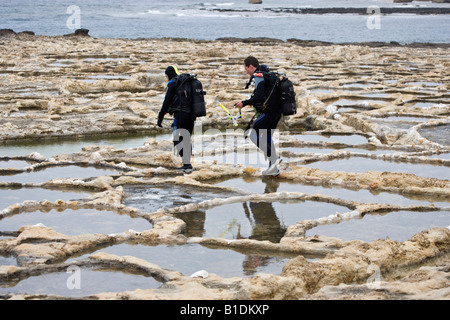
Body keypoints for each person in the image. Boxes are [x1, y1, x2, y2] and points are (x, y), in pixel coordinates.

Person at [235, 56, 282, 176]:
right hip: (277, 112)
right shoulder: (268, 74)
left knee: (253, 136)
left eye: (246, 68)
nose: (246, 71)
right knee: (267, 138)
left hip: (269, 113)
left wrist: (244, 103)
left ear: (251, 66)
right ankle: (274, 169)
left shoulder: (258, 76)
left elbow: (260, 96)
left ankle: (274, 158)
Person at [157, 65, 195, 173]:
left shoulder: (173, 83)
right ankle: (187, 163)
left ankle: (187, 164)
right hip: (191, 115)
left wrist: (160, 117)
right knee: (186, 138)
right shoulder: (185, 82)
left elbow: (167, 100)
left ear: (168, 75)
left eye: (166, 76)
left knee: (177, 139)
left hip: (181, 116)